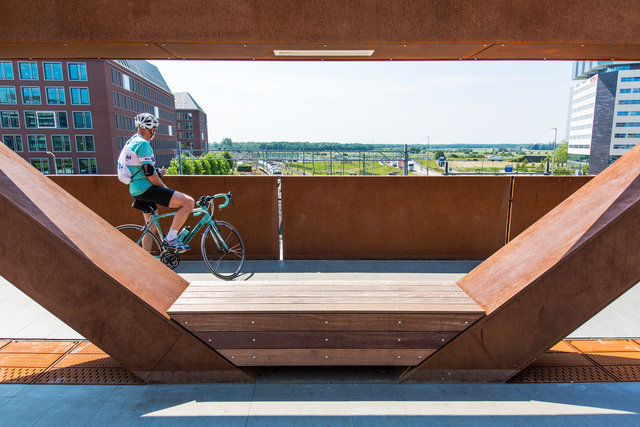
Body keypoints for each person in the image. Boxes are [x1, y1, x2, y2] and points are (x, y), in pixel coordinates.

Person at [124, 112, 194, 251]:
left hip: (136, 189)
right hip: (147, 189)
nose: (154, 133)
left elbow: (144, 168)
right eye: (154, 129)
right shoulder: (143, 144)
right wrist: (164, 188)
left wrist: (157, 172)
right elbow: (149, 173)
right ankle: (171, 239)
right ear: (149, 128)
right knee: (188, 202)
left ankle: (146, 262)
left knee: (151, 227)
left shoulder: (132, 141)